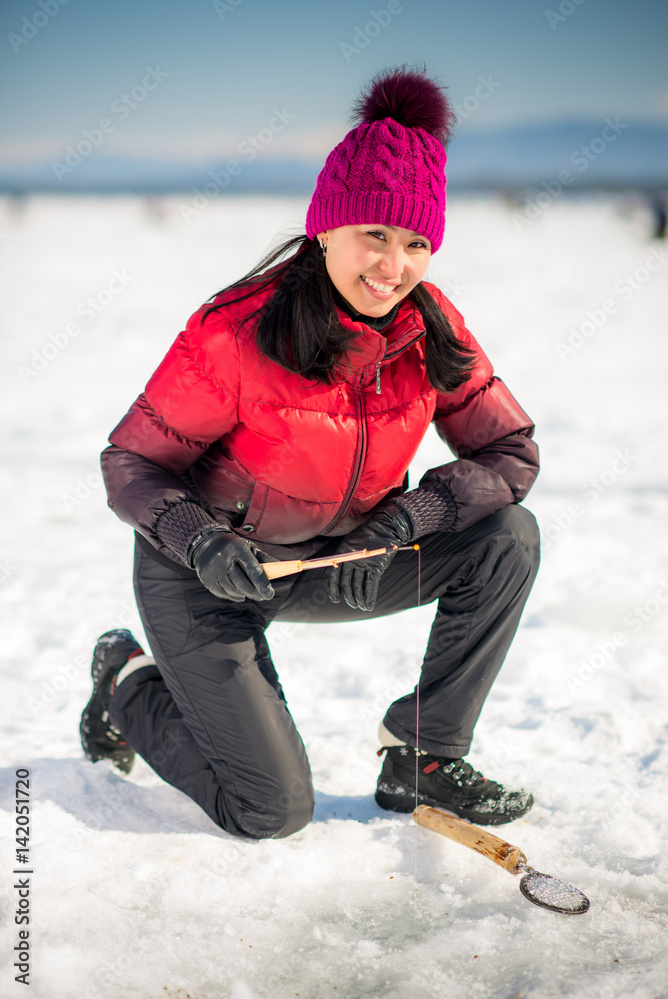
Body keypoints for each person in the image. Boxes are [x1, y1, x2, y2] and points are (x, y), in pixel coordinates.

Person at [80, 67, 540, 841]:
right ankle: (127, 679)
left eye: (417, 242)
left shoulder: (430, 329)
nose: (392, 267)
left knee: (508, 541)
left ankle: (422, 759)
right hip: (207, 574)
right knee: (269, 810)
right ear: (328, 226)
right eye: (375, 236)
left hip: (342, 562)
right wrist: (200, 540)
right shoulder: (235, 331)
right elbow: (130, 462)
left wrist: (415, 514)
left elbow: (509, 452)